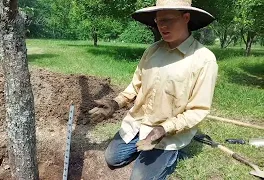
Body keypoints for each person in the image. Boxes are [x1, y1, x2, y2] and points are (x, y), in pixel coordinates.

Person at [88, 0, 218, 179]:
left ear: (186, 17)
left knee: (139, 178)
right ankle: (146, 149)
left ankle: (172, 155)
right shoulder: (152, 51)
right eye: (158, 21)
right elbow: (135, 85)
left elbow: (198, 110)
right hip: (138, 123)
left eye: (168, 20)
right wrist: (115, 103)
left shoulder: (204, 59)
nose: (162, 26)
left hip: (167, 133)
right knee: (113, 158)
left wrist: (163, 129)